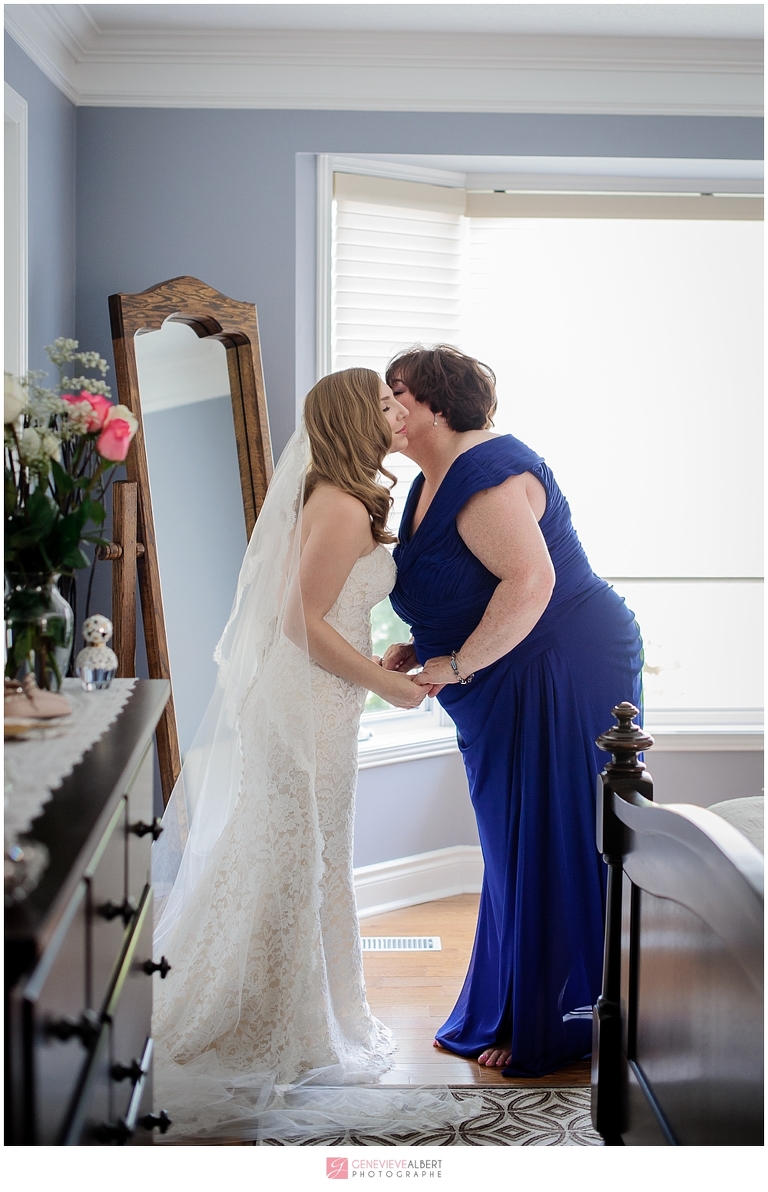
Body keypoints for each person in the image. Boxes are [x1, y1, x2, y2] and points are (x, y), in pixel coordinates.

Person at [151, 369, 430, 1139]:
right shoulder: (340, 504)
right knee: (294, 852)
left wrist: (382, 662)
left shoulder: (347, 495)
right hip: (303, 702)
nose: (395, 413)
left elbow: (329, 612)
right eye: (381, 404)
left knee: (301, 850)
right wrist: (386, 685)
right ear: (352, 419)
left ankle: (299, 1016)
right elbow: (299, 623)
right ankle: (275, 1026)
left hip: (321, 697)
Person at [382, 345, 643, 1079]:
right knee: (512, 839)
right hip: (506, 673)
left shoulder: (484, 473)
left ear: (437, 403)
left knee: (548, 833)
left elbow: (530, 582)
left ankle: (559, 1016)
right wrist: (419, 644)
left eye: (398, 392)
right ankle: (522, 997)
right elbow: (468, 580)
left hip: (560, 665)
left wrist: (456, 663)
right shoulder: (430, 479)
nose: (388, 406)